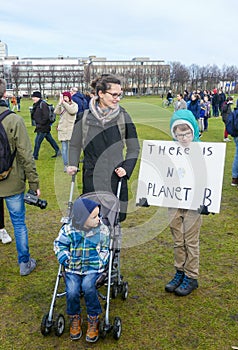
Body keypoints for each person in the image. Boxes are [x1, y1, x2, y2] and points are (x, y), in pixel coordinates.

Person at [67, 74, 140, 222]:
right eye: (113, 94)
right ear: (100, 94)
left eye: (120, 95)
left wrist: (126, 168)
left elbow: (134, 148)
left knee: (114, 222)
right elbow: (74, 145)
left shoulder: (123, 117)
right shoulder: (84, 118)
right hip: (91, 179)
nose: (117, 98)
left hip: (115, 179)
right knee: (92, 219)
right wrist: (73, 163)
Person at [54, 197, 110, 343]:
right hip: (73, 268)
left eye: (99, 215)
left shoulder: (102, 230)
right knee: (72, 290)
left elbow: (105, 249)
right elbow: (59, 245)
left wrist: (101, 261)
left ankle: (93, 318)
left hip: (93, 268)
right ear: (83, 218)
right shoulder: (69, 230)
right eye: (94, 216)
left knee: (88, 287)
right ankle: (74, 317)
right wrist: (65, 259)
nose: (99, 219)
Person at [0, 78, 40, 276]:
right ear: (5, 95)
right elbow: (25, 154)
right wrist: (34, 183)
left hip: (11, 181)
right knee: (18, 223)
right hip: (12, 181)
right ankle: (24, 263)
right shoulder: (14, 119)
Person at [165, 109, 201, 296]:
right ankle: (180, 271)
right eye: (179, 134)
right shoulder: (169, 152)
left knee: (191, 242)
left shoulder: (204, 152)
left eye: (187, 133)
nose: (183, 137)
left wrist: (206, 202)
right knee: (178, 240)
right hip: (174, 202)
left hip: (194, 206)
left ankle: (191, 276)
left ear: (193, 131)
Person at [31, 91, 61, 160]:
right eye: (33, 97)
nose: (33, 98)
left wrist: (41, 123)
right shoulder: (37, 104)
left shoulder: (43, 104)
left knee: (37, 141)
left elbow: (46, 116)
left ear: (38, 97)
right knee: (50, 140)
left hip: (43, 127)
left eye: (34, 97)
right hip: (41, 126)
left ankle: (35, 156)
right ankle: (58, 151)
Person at [54, 91, 78, 172]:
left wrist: (64, 103)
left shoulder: (74, 105)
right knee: (64, 149)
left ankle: (74, 165)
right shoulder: (62, 105)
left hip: (71, 129)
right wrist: (59, 103)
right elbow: (56, 112)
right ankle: (66, 165)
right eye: (63, 97)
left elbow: (72, 111)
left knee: (72, 148)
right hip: (62, 129)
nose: (64, 99)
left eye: (66, 97)